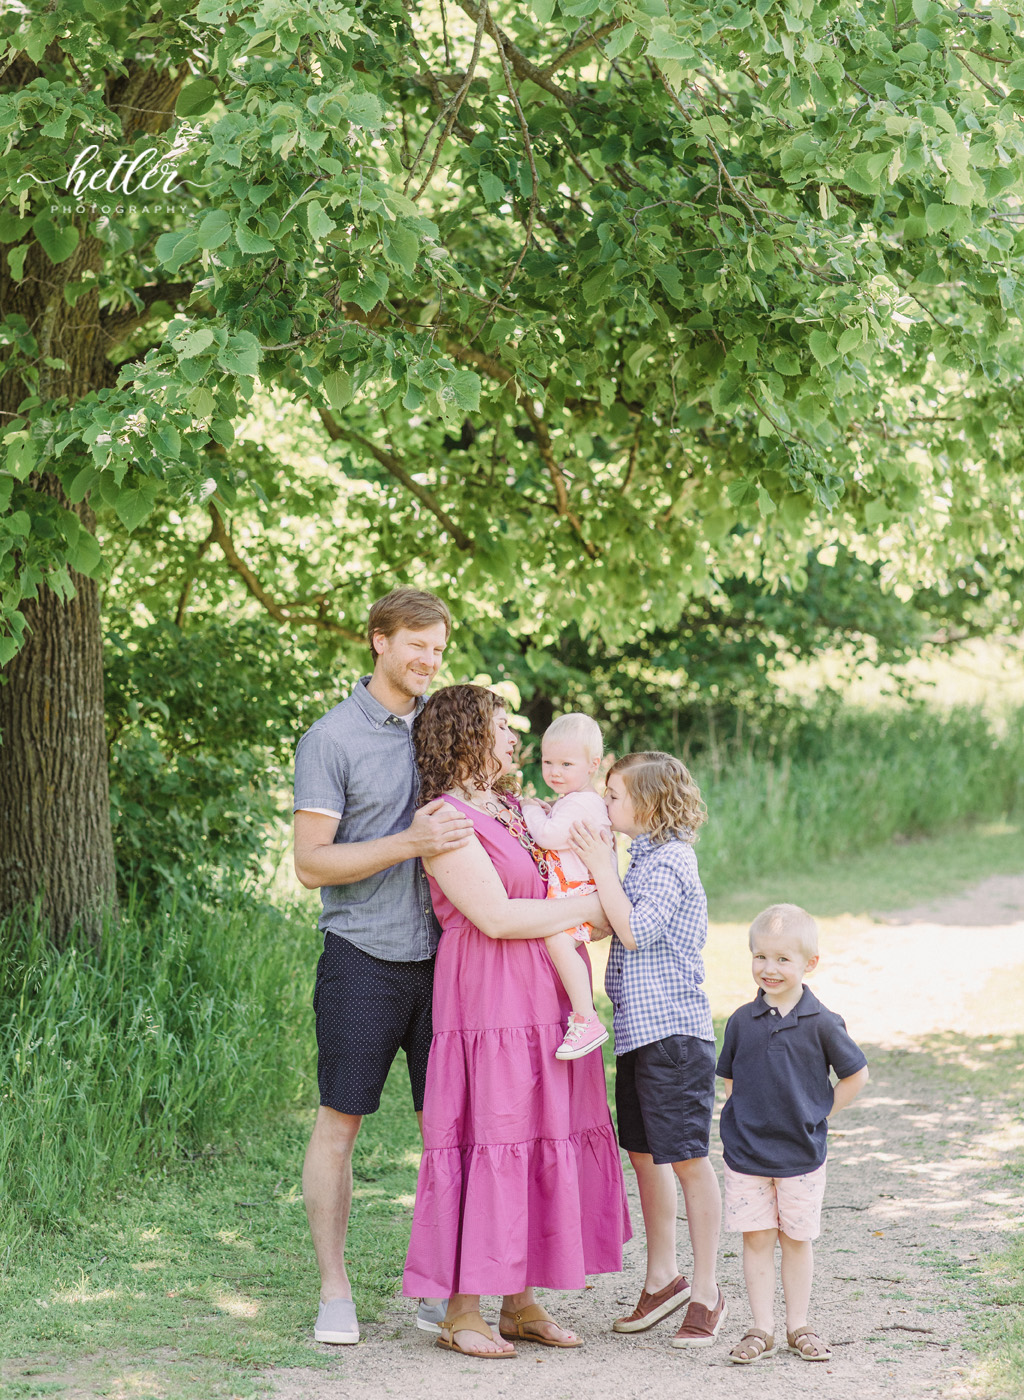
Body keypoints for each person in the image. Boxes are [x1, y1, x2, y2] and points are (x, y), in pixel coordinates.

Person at [402, 685, 632, 1359]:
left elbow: (567, 903)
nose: (514, 741)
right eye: (501, 728)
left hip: (546, 997)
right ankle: (462, 1311)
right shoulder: (445, 818)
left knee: (537, 1136)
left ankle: (521, 1303)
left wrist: (588, 901)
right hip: (488, 998)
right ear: (466, 735)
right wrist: (590, 902)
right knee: (490, 1136)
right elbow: (497, 917)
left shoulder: (510, 808)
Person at [292, 587, 475, 1347]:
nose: (428, 661)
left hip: (447, 960)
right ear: (378, 641)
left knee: (451, 1127)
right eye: (416, 647)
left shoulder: (441, 729)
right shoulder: (330, 739)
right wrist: (407, 842)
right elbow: (309, 865)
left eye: (437, 649)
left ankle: (442, 1289)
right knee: (343, 1123)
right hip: (363, 958)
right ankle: (335, 1292)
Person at [570, 751, 726, 1348]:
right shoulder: (643, 859)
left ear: (650, 803)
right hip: (640, 1032)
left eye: (613, 796)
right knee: (643, 1153)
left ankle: (709, 1289)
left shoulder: (671, 861)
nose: (605, 806)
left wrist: (597, 864)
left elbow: (636, 930)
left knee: (686, 1157)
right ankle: (663, 1277)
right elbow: (610, 917)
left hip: (675, 1036)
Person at [717, 903, 870, 1365]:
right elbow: (731, 1079)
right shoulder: (741, 1020)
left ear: (810, 963)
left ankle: (797, 1325)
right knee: (757, 1239)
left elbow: (855, 1076)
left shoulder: (822, 1021)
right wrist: (744, 1117)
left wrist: (817, 1113)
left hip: (801, 1154)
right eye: (761, 956)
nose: (770, 968)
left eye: (784, 959)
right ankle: (760, 1327)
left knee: (796, 1240)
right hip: (746, 1154)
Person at [520, 712, 612, 1061]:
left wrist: (531, 809)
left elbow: (545, 835)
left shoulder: (582, 803)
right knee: (557, 943)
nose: (554, 771)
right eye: (547, 762)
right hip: (579, 890)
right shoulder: (575, 801)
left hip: (583, 893)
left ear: (593, 765)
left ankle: (586, 1018)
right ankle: (581, 1015)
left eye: (566, 764)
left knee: (558, 942)